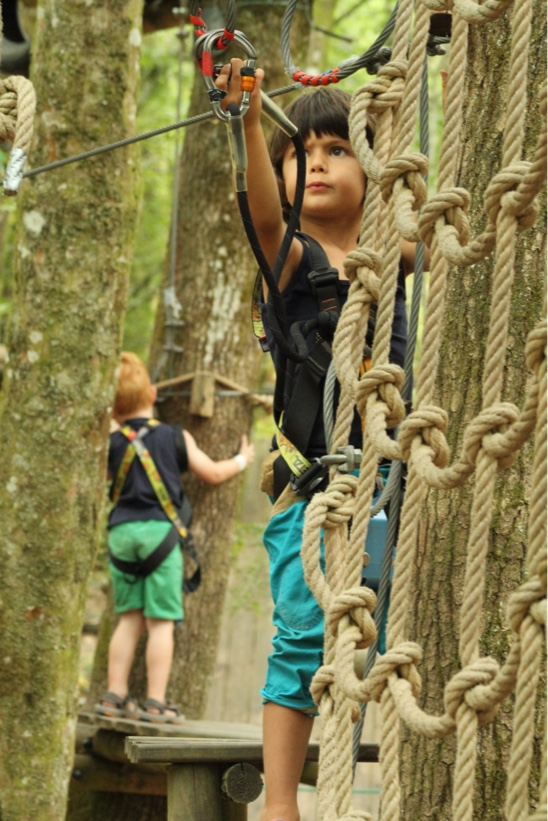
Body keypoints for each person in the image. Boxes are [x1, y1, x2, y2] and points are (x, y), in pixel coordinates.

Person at [215, 61, 417, 821]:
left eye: (339, 150)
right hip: (315, 490)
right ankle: (280, 803)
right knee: (301, 638)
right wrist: (245, 122)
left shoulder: (399, 259)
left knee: (395, 633)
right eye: (303, 153)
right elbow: (266, 219)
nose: (320, 164)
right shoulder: (293, 260)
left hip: (395, 483)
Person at [95, 351, 255, 723]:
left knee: (128, 618)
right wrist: (243, 458)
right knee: (160, 622)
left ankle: (114, 694)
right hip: (159, 537)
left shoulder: (112, 444)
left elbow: (105, 479)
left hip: (121, 535)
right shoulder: (174, 437)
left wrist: (113, 424)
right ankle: (155, 701)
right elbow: (212, 473)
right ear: (153, 393)